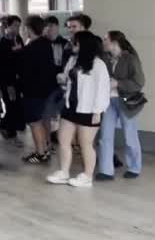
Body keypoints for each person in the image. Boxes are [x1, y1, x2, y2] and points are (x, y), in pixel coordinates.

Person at [47, 31, 111, 188]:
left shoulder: (98, 65)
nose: (72, 45)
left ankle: (87, 176)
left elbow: (103, 89)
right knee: (63, 139)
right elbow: (68, 79)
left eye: (75, 42)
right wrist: (63, 78)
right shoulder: (73, 60)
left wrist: (98, 111)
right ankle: (64, 172)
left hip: (89, 110)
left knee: (85, 144)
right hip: (70, 106)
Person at [96, 31, 145, 180]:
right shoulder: (104, 58)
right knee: (105, 135)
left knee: (130, 136)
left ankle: (134, 167)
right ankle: (106, 170)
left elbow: (139, 82)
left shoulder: (130, 58)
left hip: (126, 102)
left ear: (114, 43)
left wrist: (118, 83)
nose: (103, 42)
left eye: (106, 39)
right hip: (108, 101)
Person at [17, 15, 59, 164]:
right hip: (45, 90)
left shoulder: (31, 48)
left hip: (33, 91)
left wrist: (19, 52)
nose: (23, 31)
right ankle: (44, 151)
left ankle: (40, 153)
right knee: (39, 121)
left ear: (29, 29)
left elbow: (24, 71)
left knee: (34, 122)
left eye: (24, 28)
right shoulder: (46, 44)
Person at [0, 15, 24, 140]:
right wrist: (14, 51)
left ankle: (11, 130)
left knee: (17, 104)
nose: (17, 28)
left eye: (19, 26)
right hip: (7, 81)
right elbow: (2, 64)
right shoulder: (1, 43)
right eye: (15, 26)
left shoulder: (18, 39)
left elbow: (22, 57)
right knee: (11, 105)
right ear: (8, 26)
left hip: (17, 79)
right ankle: (3, 125)